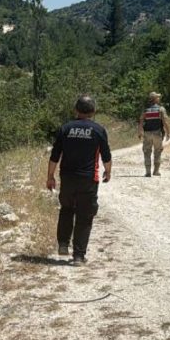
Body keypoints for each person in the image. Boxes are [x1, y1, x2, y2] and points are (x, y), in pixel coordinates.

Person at [47, 95, 112, 264]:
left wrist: (50, 176)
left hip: (67, 178)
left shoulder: (65, 128)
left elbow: (55, 155)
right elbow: (106, 155)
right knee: (85, 216)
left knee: (66, 209)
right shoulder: (98, 130)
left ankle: (63, 244)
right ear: (94, 111)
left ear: (76, 110)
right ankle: (78, 256)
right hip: (88, 179)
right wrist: (108, 172)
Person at [138, 92, 170, 177]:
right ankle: (156, 171)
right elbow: (165, 122)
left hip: (147, 134)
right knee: (158, 151)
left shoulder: (145, 110)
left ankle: (148, 172)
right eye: (158, 97)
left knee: (147, 152)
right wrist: (168, 132)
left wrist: (140, 133)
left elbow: (141, 122)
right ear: (155, 99)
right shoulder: (161, 109)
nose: (159, 98)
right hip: (157, 133)